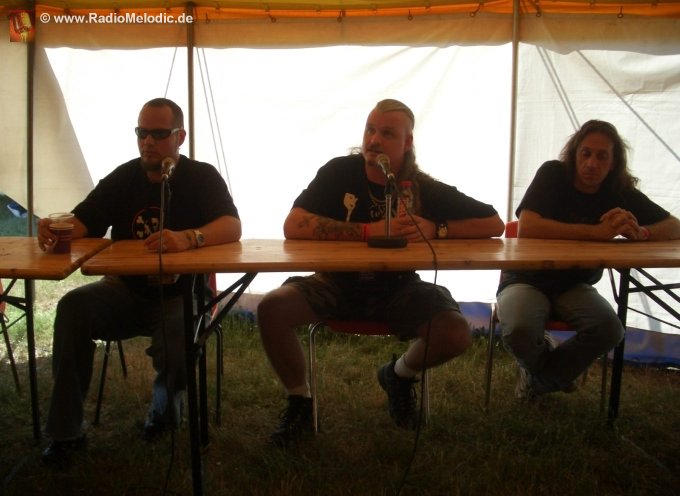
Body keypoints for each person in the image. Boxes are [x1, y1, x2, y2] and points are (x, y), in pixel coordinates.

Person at [257, 99, 504, 446]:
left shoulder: (420, 187)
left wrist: (437, 228)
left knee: (455, 334)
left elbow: (494, 223)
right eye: (370, 130)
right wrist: (368, 231)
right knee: (272, 308)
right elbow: (293, 224)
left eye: (387, 133)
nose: (373, 140)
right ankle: (299, 401)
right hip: (335, 281)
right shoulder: (339, 172)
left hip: (398, 287)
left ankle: (398, 375)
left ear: (407, 143)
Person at [38, 98, 241, 466]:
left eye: (159, 134)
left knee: (178, 338)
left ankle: (163, 414)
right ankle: (65, 434)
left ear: (180, 137)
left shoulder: (201, 177)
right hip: (124, 291)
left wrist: (189, 237)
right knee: (72, 308)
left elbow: (231, 225)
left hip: (181, 293)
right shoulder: (123, 177)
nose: (148, 141)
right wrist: (56, 227)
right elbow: (85, 220)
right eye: (141, 132)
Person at [496, 119, 680, 402]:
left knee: (609, 330)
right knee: (520, 329)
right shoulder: (553, 174)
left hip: (574, 284)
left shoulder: (618, 191)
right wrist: (596, 233)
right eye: (586, 153)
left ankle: (538, 377)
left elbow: (674, 226)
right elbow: (528, 226)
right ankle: (549, 371)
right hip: (525, 278)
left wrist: (641, 232)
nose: (592, 163)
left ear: (613, 163)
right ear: (575, 154)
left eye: (602, 156)